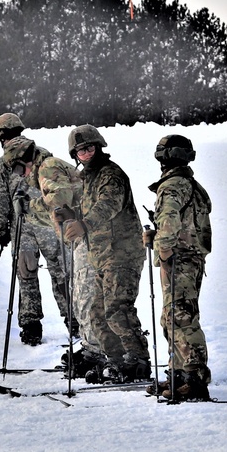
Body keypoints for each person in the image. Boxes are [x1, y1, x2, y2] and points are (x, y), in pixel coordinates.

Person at [0, 120, 104, 376]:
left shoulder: (46, 167)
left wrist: (32, 209)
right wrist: (6, 222)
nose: (20, 176)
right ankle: (40, 325)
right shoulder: (25, 165)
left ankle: (84, 334)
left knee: (70, 279)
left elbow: (59, 205)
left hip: (73, 233)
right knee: (36, 275)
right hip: (50, 231)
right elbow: (0, 196)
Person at [56, 124, 150, 383]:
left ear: (99, 146)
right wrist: (71, 215)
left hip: (122, 253)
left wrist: (84, 224)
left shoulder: (111, 174)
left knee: (118, 308)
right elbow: (87, 210)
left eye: (89, 148)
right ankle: (116, 359)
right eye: (80, 151)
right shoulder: (86, 178)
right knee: (97, 311)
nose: (86, 154)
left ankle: (138, 358)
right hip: (101, 255)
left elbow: (108, 205)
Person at [0, 112, 74, 345]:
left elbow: (0, 199)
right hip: (33, 224)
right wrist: (2, 228)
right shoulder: (34, 156)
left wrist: (0, 228)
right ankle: (45, 321)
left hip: (36, 223)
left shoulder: (11, 162)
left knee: (45, 271)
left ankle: (44, 321)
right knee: (53, 270)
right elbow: (1, 198)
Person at [142, 134, 213, 401]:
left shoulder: (173, 185)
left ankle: (193, 378)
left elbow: (170, 220)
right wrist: (159, 237)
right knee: (173, 317)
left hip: (179, 260)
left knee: (181, 317)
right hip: (186, 258)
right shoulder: (190, 184)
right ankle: (179, 373)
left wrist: (163, 247)